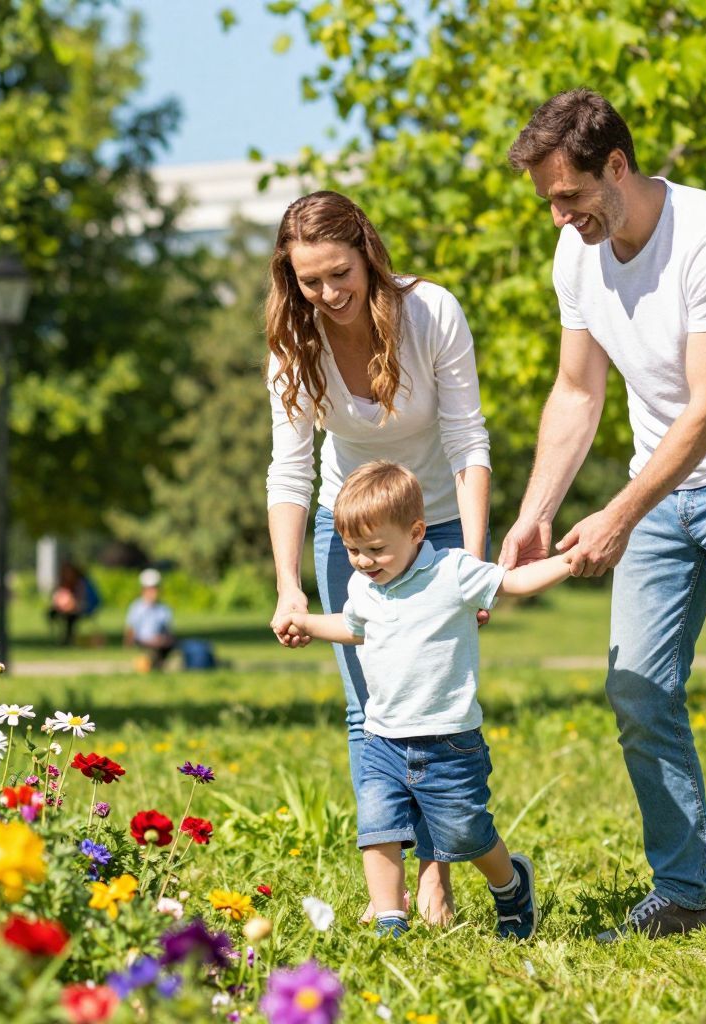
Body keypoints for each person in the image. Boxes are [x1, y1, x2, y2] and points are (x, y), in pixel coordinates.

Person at [502, 89, 706, 959]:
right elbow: (577, 391)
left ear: (617, 164)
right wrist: (536, 515)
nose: (561, 219)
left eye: (570, 197)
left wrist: (616, 514)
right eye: (548, 205)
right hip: (660, 485)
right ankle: (682, 891)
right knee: (637, 688)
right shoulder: (577, 256)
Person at [264, 190, 492, 925]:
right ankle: (387, 897)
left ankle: (438, 874)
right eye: (309, 281)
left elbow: (468, 442)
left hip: (441, 525)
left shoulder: (431, 313)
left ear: (366, 251)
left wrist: (476, 566)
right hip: (350, 528)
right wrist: (288, 588)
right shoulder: (293, 342)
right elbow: (290, 468)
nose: (328, 294)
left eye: (339, 274)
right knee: (370, 712)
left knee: (432, 704)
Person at [284, 462, 571, 938]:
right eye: (353, 550)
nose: (362, 561)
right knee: (377, 829)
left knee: (465, 834)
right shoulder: (364, 586)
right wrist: (311, 624)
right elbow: (354, 628)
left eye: (376, 549)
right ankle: (390, 920)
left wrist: (567, 562)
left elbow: (513, 583)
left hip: (449, 742)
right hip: (382, 740)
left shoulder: (453, 572)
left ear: (417, 532)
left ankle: (511, 884)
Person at [124, 568, 175, 670]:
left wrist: (165, 638)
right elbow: (131, 629)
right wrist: (128, 644)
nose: (153, 592)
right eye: (150, 589)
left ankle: (159, 663)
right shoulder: (137, 607)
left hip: (159, 640)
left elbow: (168, 630)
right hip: (142, 640)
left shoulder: (163, 609)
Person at [46, 562, 99, 646]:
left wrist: (71, 606)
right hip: (65, 608)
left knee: (71, 617)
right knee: (52, 613)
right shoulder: (62, 584)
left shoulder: (81, 584)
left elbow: (82, 601)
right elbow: (56, 598)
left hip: (81, 608)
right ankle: (62, 638)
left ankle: (68, 639)